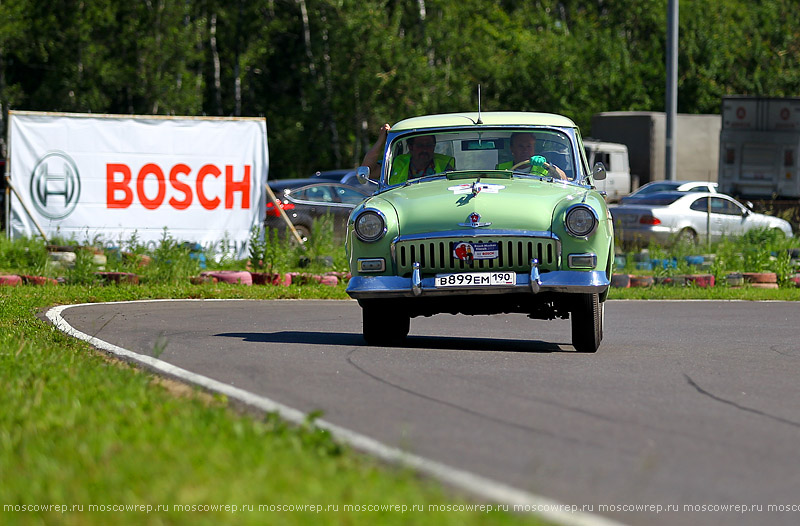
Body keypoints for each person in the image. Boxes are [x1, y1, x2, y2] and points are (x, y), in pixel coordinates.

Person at [360, 125, 455, 185]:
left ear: (434, 146)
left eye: (429, 145)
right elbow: (368, 170)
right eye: (420, 145)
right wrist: (381, 140)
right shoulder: (395, 164)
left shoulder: (445, 166)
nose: (425, 149)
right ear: (411, 147)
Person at [497, 132, 567, 180]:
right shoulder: (501, 168)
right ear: (512, 148)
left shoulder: (545, 168)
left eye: (529, 146)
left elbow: (564, 180)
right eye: (520, 146)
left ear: (534, 148)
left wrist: (548, 166)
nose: (525, 150)